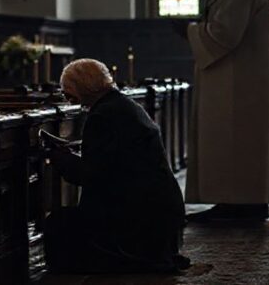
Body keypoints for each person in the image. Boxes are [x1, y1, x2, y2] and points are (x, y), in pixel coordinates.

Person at [181, 0, 269, 222]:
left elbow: (224, 34)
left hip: (237, 84)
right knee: (237, 143)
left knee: (235, 140)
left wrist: (189, 31)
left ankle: (240, 205)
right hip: (241, 79)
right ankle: (235, 202)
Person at [44, 58, 189, 274]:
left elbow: (92, 176)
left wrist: (59, 158)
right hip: (160, 211)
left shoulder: (102, 115)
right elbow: (112, 163)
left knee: (58, 224)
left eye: (68, 91)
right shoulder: (122, 104)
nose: (66, 98)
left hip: (139, 218)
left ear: (83, 87)